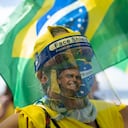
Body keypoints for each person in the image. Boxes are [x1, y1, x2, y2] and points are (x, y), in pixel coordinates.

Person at [0, 25, 128, 128]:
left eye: (82, 61)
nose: (78, 70)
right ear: (43, 77)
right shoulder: (34, 120)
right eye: (65, 63)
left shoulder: (109, 112)